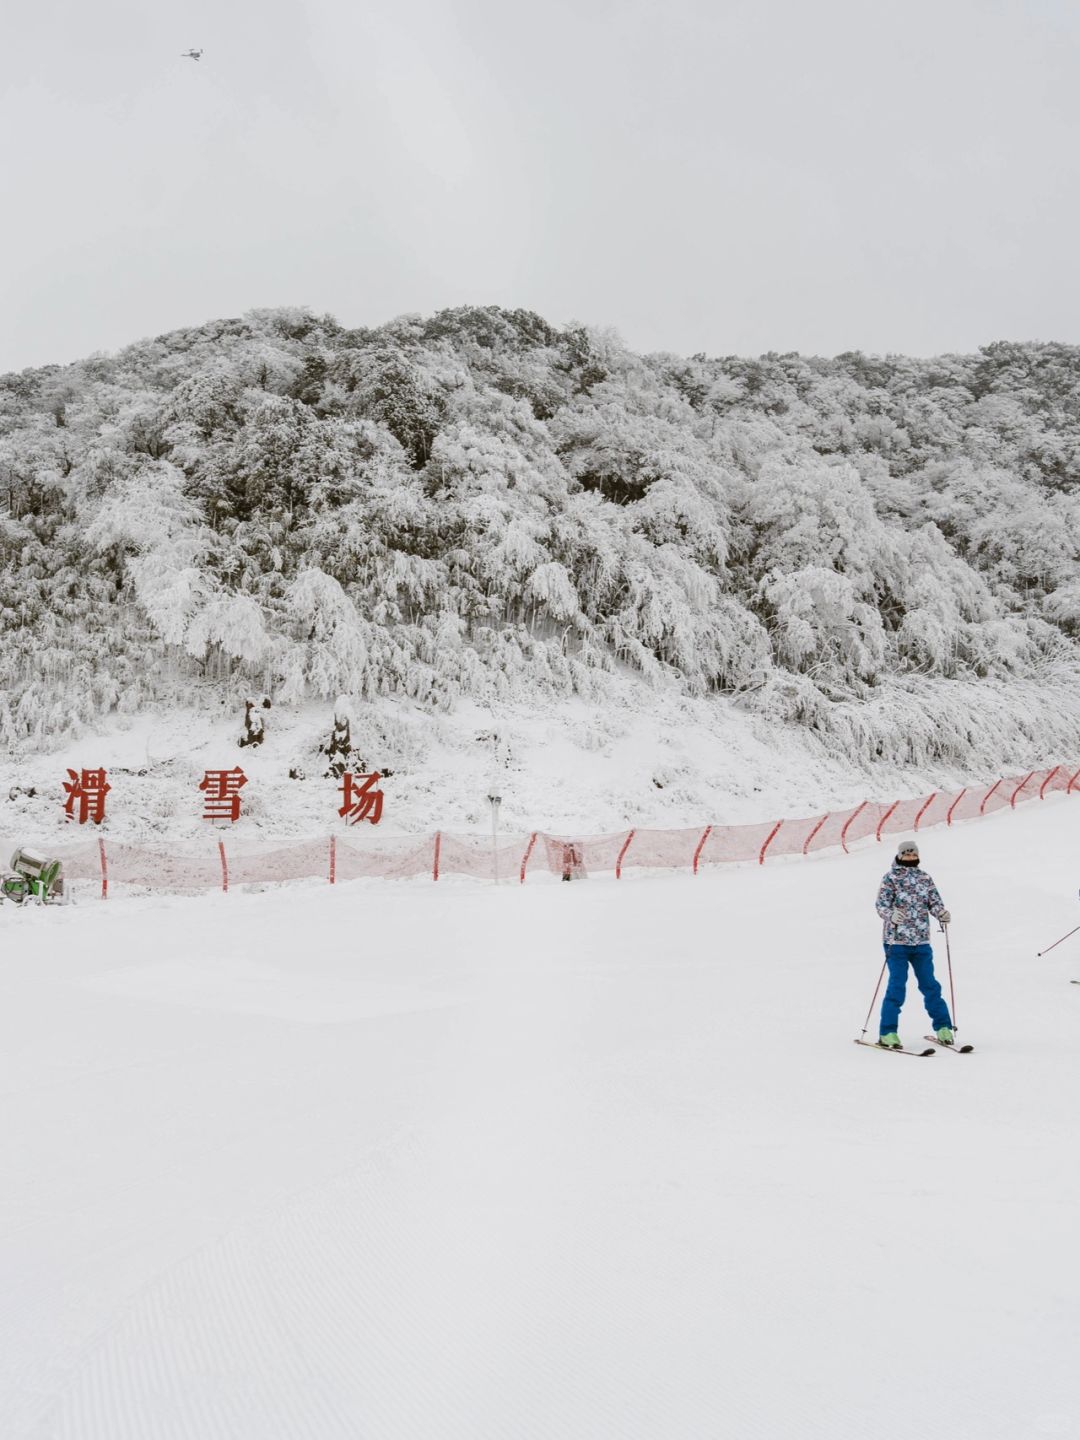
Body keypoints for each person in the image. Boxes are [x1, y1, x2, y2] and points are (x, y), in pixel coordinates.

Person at [874, 839, 953, 1048]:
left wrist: (941, 913)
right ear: (900, 856)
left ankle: (944, 1028)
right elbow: (881, 905)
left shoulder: (924, 878)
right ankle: (887, 1032)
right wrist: (891, 915)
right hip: (896, 941)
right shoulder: (890, 878)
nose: (910, 857)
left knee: (930, 986)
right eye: (906, 854)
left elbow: (934, 902)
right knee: (897, 986)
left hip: (921, 941)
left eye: (913, 854)